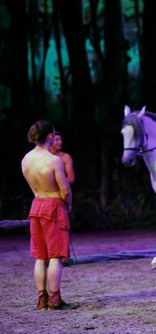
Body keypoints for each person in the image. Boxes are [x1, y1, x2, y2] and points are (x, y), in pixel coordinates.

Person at [21, 120, 73, 310]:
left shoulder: (26, 160)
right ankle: (55, 299)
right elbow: (65, 190)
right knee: (55, 256)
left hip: (36, 206)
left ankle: (41, 299)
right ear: (50, 136)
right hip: (53, 205)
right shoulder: (53, 160)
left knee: (40, 257)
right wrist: (68, 205)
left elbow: (33, 188)